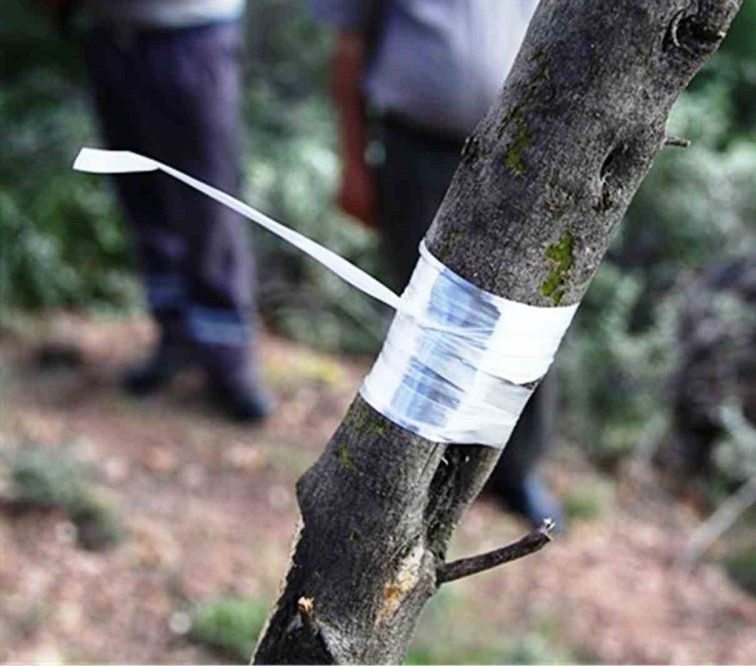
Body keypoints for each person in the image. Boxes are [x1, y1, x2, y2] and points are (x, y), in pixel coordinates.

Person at [313, 0, 563, 527]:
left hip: (527, 152)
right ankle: (409, 475)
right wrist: (353, 163)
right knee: (425, 314)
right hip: (415, 149)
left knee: (529, 314)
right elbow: (349, 43)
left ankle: (516, 471)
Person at [75, 0, 272, 422]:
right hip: (112, 36)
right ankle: (174, 338)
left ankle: (229, 362)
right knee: (143, 203)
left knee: (209, 207)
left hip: (192, 36)